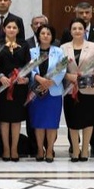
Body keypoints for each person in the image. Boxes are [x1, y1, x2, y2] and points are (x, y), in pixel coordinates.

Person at [61, 19, 94, 162]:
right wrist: (69, 76)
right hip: (71, 89)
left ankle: (85, 149)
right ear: (70, 31)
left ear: (85, 31)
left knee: (88, 120)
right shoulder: (63, 48)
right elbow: (59, 69)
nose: (77, 31)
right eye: (74, 28)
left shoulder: (93, 46)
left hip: (89, 89)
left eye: (80, 28)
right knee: (72, 120)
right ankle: (75, 150)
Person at [28, 25, 66, 162]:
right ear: (38, 36)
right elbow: (29, 69)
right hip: (36, 91)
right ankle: (40, 149)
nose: (45, 36)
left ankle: (49, 149)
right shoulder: (32, 51)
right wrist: (38, 78)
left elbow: (62, 69)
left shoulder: (59, 51)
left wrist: (51, 81)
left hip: (53, 92)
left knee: (52, 123)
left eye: (48, 34)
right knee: (38, 122)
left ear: (52, 36)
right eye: (42, 33)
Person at [0, 20, 30, 161]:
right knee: (4, 120)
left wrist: (25, 78)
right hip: (3, 87)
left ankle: (14, 149)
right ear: (4, 29)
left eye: (14, 27)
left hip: (19, 88)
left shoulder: (24, 45)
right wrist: (0, 76)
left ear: (18, 30)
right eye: (8, 27)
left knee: (16, 120)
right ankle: (6, 148)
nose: (11, 29)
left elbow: (28, 65)